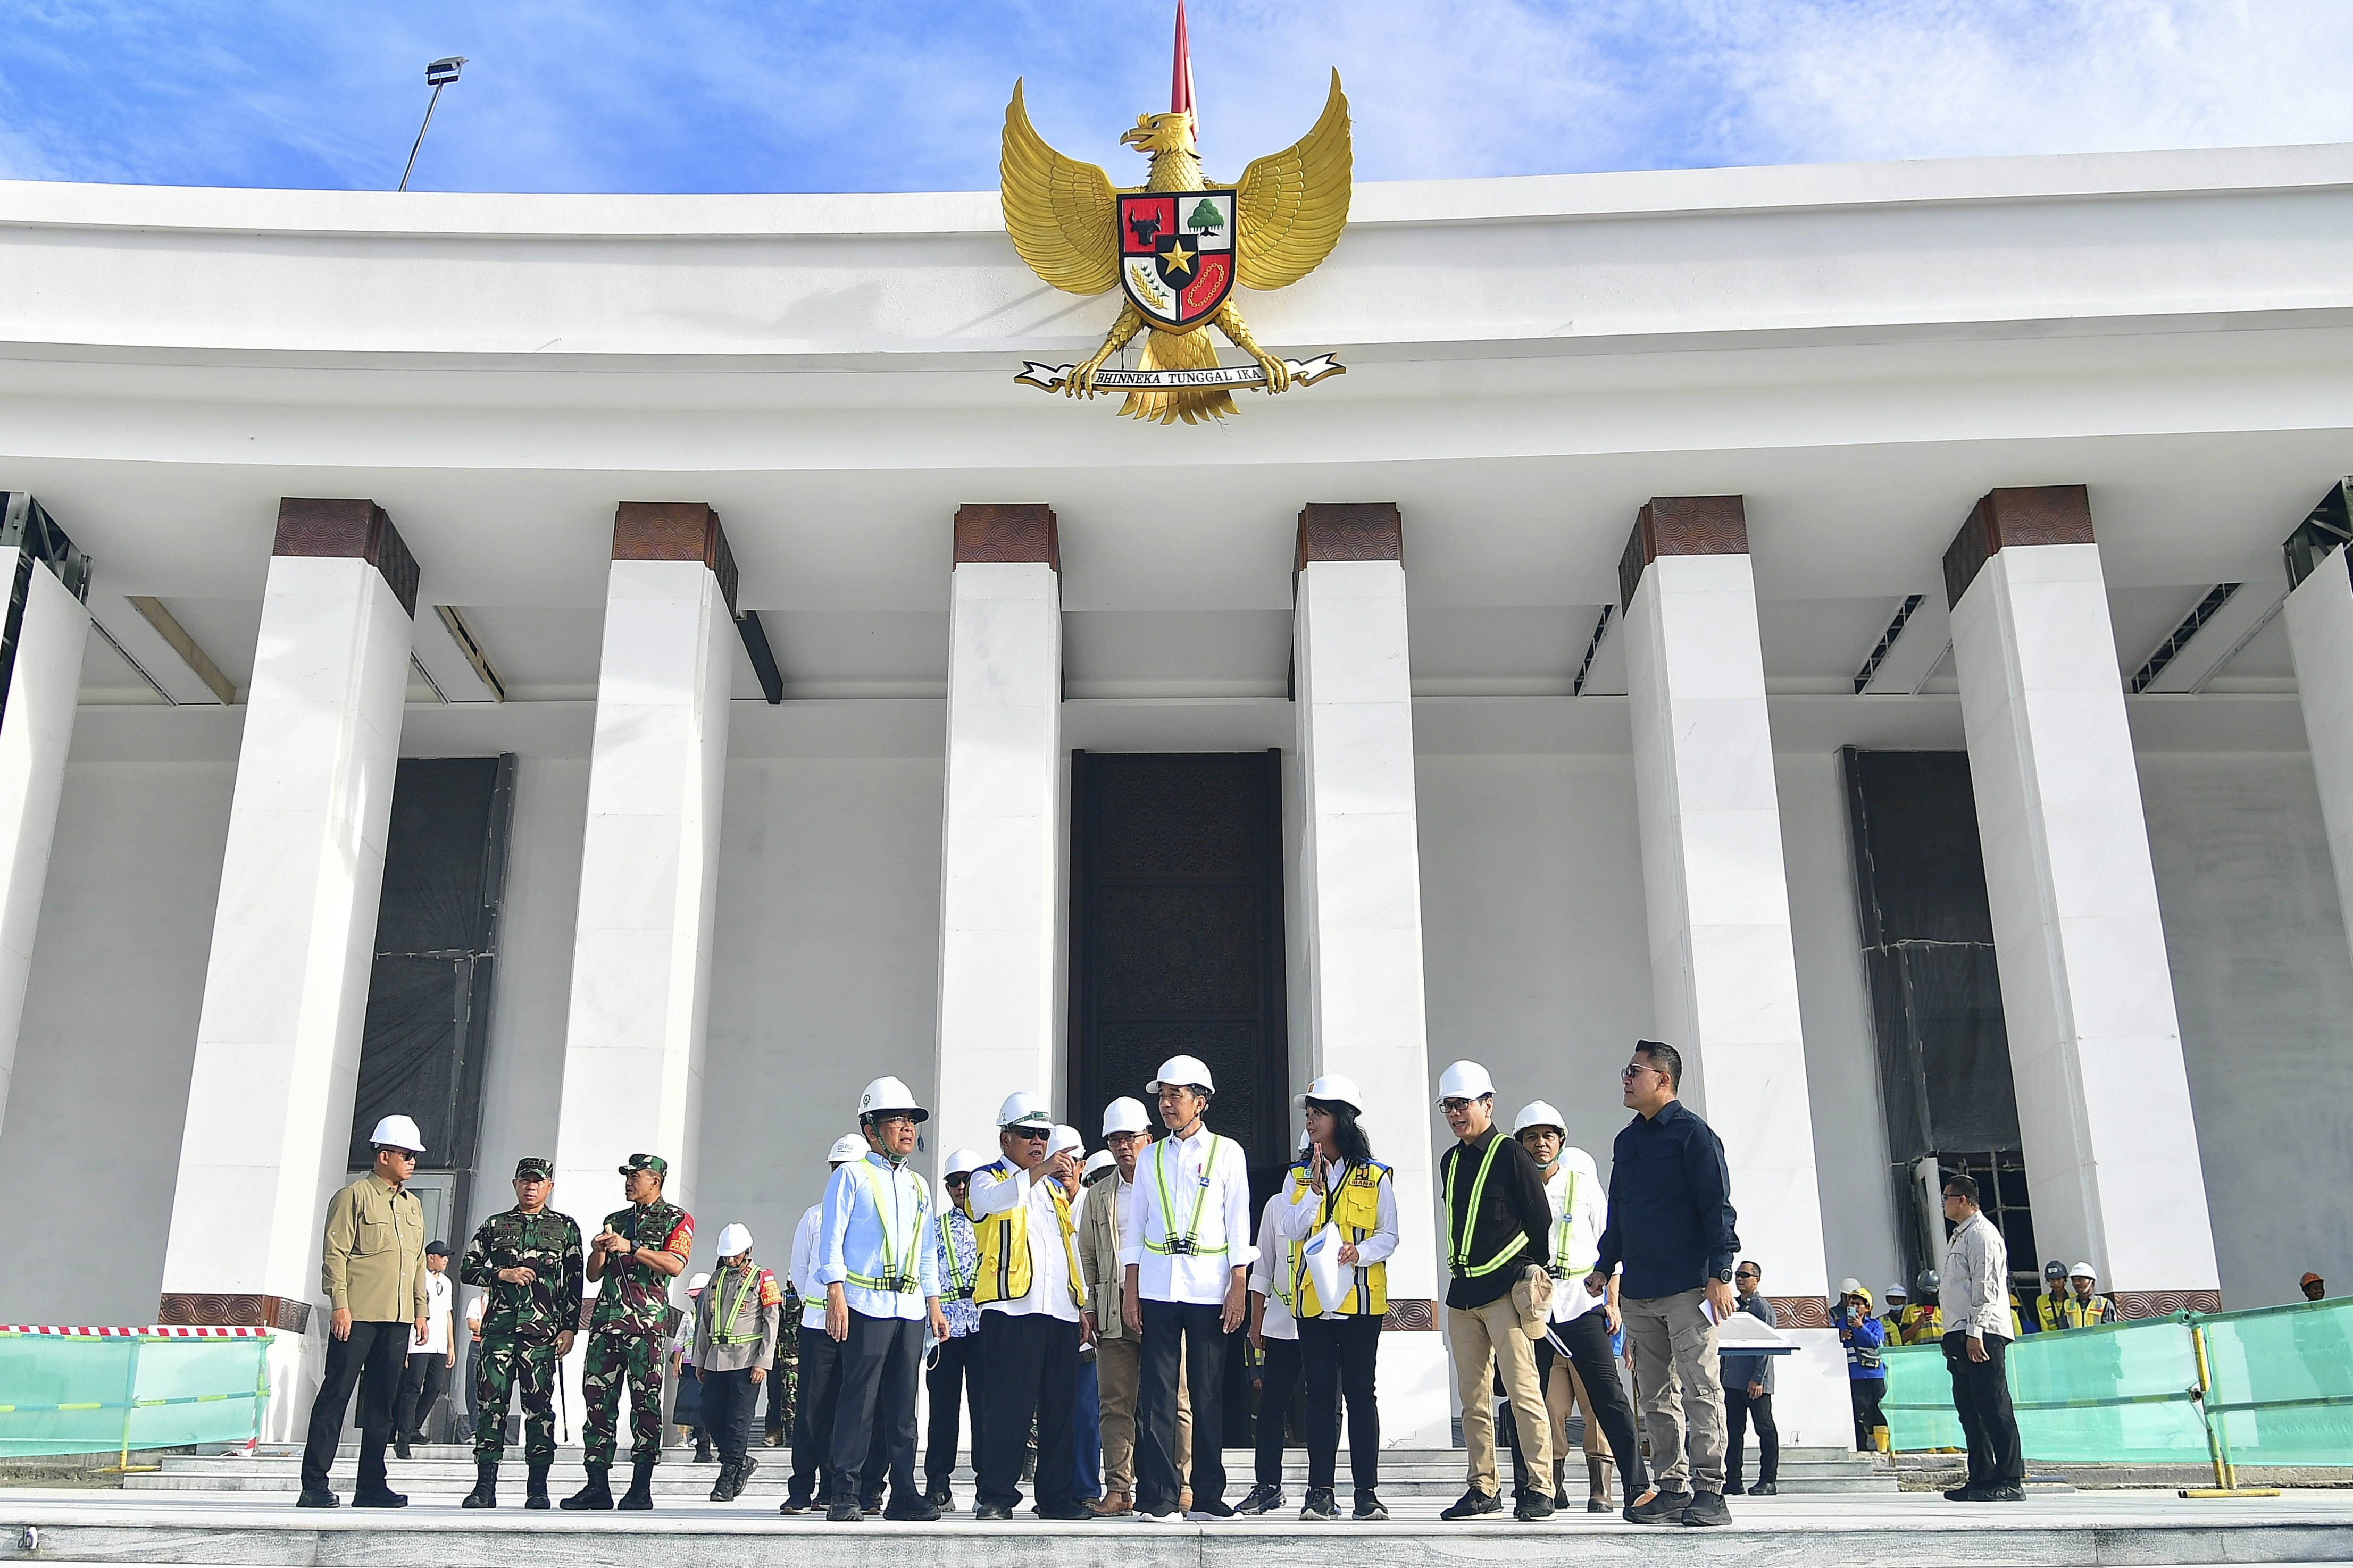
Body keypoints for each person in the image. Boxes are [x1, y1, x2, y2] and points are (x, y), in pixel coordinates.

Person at [1590, 1040, 1738, 1529]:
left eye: (1635, 1071)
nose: (1626, 1079)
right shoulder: (1627, 1141)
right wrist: (1604, 1263)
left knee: (1700, 1388)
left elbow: (1718, 1209)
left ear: (1664, 1079)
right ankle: (1672, 1486)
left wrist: (1720, 1274)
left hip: (1688, 1289)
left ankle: (1712, 1489)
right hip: (1639, 1290)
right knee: (1654, 1394)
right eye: (1625, 1070)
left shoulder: (1694, 1136)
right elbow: (1620, 1212)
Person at [1120, 1053, 1256, 1523]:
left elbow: (1240, 1226)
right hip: (1158, 1284)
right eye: (1162, 1096)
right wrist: (1130, 1288)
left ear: (1201, 1101)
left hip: (1209, 1286)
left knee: (1208, 1390)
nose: (1166, 1105)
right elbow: (1135, 1227)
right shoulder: (1152, 1155)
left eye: (1176, 1096)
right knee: (1156, 1392)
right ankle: (1158, 1495)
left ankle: (1209, 1493)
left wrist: (1238, 1284)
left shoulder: (1227, 1152)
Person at [815, 1077, 949, 1522]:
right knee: (859, 1400)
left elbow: (926, 1248)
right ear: (871, 1128)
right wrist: (835, 1291)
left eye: (911, 1119)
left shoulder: (918, 1185)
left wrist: (933, 1301)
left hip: (909, 1307)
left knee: (903, 1404)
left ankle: (904, 1491)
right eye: (897, 1119)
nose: (907, 1128)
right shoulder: (853, 1175)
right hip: (865, 1305)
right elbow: (831, 1237)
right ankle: (845, 1493)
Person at [1507, 1101, 1647, 1515]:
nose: (1541, 1143)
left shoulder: (1582, 1185)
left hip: (1580, 1305)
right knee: (1525, 1398)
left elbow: (1611, 1245)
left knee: (1609, 1397)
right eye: (1532, 1136)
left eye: (1548, 1135)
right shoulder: (1513, 1187)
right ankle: (1534, 1489)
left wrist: (1613, 1301)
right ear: (1520, 1144)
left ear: (1561, 1140)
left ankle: (1637, 1485)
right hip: (1533, 1309)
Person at [1432, 1061, 1557, 1524]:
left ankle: (1540, 1486)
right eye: (1449, 1106)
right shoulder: (1451, 1159)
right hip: (1463, 1295)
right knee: (1473, 1399)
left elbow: (1539, 1219)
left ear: (1488, 1103)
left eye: (1463, 1104)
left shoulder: (1510, 1153)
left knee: (1525, 1391)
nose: (1455, 1114)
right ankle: (1483, 1485)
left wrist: (1529, 1272)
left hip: (1505, 1290)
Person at [1279, 1075, 1399, 1521]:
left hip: (1362, 1301)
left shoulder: (1375, 1174)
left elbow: (1390, 1234)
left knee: (1360, 1393)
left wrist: (1360, 1252)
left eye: (1319, 1111)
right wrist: (1312, 1193)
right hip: (1312, 1302)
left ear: (1343, 1118)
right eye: (1309, 1111)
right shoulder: (1296, 1175)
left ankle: (1367, 1493)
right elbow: (1289, 1228)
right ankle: (1320, 1492)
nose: (1310, 1119)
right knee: (1318, 1394)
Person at [966, 1093, 1090, 1521]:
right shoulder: (986, 1178)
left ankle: (1056, 1496)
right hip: (1011, 1310)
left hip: (1058, 1311)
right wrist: (1037, 1172)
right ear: (1005, 1137)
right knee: (1009, 1408)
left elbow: (1068, 1248)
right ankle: (996, 1496)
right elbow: (992, 1204)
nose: (1038, 1141)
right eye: (1028, 1134)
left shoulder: (1054, 1192)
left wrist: (1082, 1306)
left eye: (1044, 1134)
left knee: (1060, 1410)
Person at [298, 1114, 431, 1510]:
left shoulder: (414, 1206)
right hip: (357, 1315)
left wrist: (420, 1311)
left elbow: (418, 1262)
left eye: (415, 1156)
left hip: (397, 1318)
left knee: (382, 1404)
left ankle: (372, 1484)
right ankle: (314, 1484)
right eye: (407, 1154)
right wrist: (340, 1303)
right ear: (384, 1154)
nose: (412, 1162)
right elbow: (335, 1253)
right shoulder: (352, 1195)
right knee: (336, 1394)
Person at [1080, 1096, 1191, 1516]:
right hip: (1112, 1309)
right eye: (1116, 1138)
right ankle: (1119, 1488)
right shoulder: (1099, 1193)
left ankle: (1180, 1482)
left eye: (1131, 1137)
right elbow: (1087, 1256)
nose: (1124, 1146)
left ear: (1149, 1137)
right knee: (1115, 1403)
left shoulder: (1167, 1181)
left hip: (1162, 1303)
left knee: (1175, 1399)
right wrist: (1089, 1307)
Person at [562, 1153, 691, 1512]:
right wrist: (598, 1250)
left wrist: (632, 1247)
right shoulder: (615, 1220)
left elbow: (675, 1265)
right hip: (606, 1324)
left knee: (645, 1406)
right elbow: (593, 1275)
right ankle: (597, 1485)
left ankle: (640, 1487)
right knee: (598, 1404)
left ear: (656, 1180)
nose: (629, 1181)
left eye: (637, 1176)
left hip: (645, 1327)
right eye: (628, 1175)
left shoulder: (676, 1218)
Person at [457, 1157, 583, 1511]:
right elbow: (467, 1268)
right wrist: (503, 1274)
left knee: (540, 1411)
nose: (531, 1186)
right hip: (498, 1332)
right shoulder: (496, 1224)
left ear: (549, 1187)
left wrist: (569, 1328)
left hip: (541, 1335)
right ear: (515, 1184)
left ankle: (538, 1488)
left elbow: (574, 1282)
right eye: (525, 1181)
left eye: (538, 1181)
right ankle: (484, 1486)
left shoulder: (564, 1228)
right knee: (490, 1407)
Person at [782, 1134, 866, 1515]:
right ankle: (801, 1487)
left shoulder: (870, 1219)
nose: (841, 1176)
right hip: (818, 1324)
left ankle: (835, 1487)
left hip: (861, 1324)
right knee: (812, 1409)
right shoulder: (814, 1216)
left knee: (847, 1408)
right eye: (837, 1169)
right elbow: (799, 1270)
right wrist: (822, 1306)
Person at [1237, 1130, 1313, 1516]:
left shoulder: (1339, 1197)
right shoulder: (1276, 1205)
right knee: (1271, 1407)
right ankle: (1267, 1484)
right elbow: (1263, 1263)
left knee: (1323, 1408)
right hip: (1283, 1322)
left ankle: (1321, 1488)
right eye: (1303, 1157)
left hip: (1325, 1322)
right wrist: (1256, 1320)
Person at [1938, 1172, 2023, 1502]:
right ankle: (1983, 1476)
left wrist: (1976, 1333)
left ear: (1962, 1200)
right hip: (1959, 1331)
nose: (1943, 1203)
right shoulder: (1960, 1236)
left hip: (1982, 1331)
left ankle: (2010, 1478)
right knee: (1970, 1408)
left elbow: (1986, 1288)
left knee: (1994, 1405)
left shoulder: (1983, 1235)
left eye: (1947, 1197)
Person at [694, 1223, 781, 1502]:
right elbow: (704, 1323)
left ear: (748, 1251)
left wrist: (764, 1361)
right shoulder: (716, 1279)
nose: (731, 1261)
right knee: (710, 1415)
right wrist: (699, 1360)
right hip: (715, 1359)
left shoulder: (763, 1278)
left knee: (738, 1421)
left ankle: (728, 1475)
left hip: (747, 1360)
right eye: (727, 1256)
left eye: (735, 1256)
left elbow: (772, 1321)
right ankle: (742, 1461)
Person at [924, 1146, 986, 1510]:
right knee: (943, 1410)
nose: (961, 1187)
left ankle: (985, 1485)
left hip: (981, 1325)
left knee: (984, 1410)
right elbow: (925, 1274)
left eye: (966, 1180)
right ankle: (938, 1484)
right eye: (954, 1181)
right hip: (945, 1327)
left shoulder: (992, 1221)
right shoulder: (936, 1227)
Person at [392, 1241, 456, 1457]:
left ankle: (415, 1426)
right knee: (412, 1388)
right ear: (431, 1257)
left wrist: (451, 1345)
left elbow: (448, 1314)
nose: (446, 1260)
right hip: (418, 1342)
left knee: (435, 1386)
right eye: (442, 1256)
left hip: (438, 1344)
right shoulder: (419, 1278)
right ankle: (402, 1435)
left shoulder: (446, 1283)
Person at [1721, 1261, 1777, 1496]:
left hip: (1755, 1382)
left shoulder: (1762, 1308)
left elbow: (1766, 1346)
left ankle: (1768, 1480)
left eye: (1745, 1275)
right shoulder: (1735, 1306)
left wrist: (1759, 1378)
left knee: (1764, 1428)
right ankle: (1733, 1479)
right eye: (1738, 1274)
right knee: (1733, 1431)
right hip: (1733, 1380)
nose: (1740, 1279)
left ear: (1757, 1279)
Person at [1837, 1280, 1888, 1450]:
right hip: (1855, 1375)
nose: (1856, 1307)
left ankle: (1882, 1447)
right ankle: (1862, 1446)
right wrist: (1841, 1336)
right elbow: (1835, 1347)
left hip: (1875, 1375)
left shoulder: (1874, 1325)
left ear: (1868, 1308)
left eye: (1859, 1304)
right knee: (1860, 1410)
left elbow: (1878, 1343)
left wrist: (1861, 1328)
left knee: (1879, 1409)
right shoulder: (1842, 1323)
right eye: (1852, 1303)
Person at [675, 1274, 711, 1461]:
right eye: (693, 1296)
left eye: (697, 1295)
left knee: (708, 1406)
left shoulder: (715, 1315)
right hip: (690, 1366)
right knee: (690, 1406)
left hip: (709, 1366)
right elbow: (679, 1341)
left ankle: (707, 1444)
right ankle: (695, 1444)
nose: (694, 1299)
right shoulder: (688, 1316)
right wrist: (676, 1363)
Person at [1898, 1274, 1945, 1345]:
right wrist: (1917, 1324)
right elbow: (1904, 1338)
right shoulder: (1909, 1310)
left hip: (1942, 1351)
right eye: (1925, 1292)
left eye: (1932, 1292)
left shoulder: (1944, 1309)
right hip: (1921, 1352)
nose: (1929, 1295)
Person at [2031, 1259, 2070, 1334]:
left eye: (2059, 1279)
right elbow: (2044, 1327)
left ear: (2064, 1279)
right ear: (2048, 1280)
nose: (2056, 1283)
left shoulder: (2074, 1298)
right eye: (2052, 1279)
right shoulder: (2042, 1301)